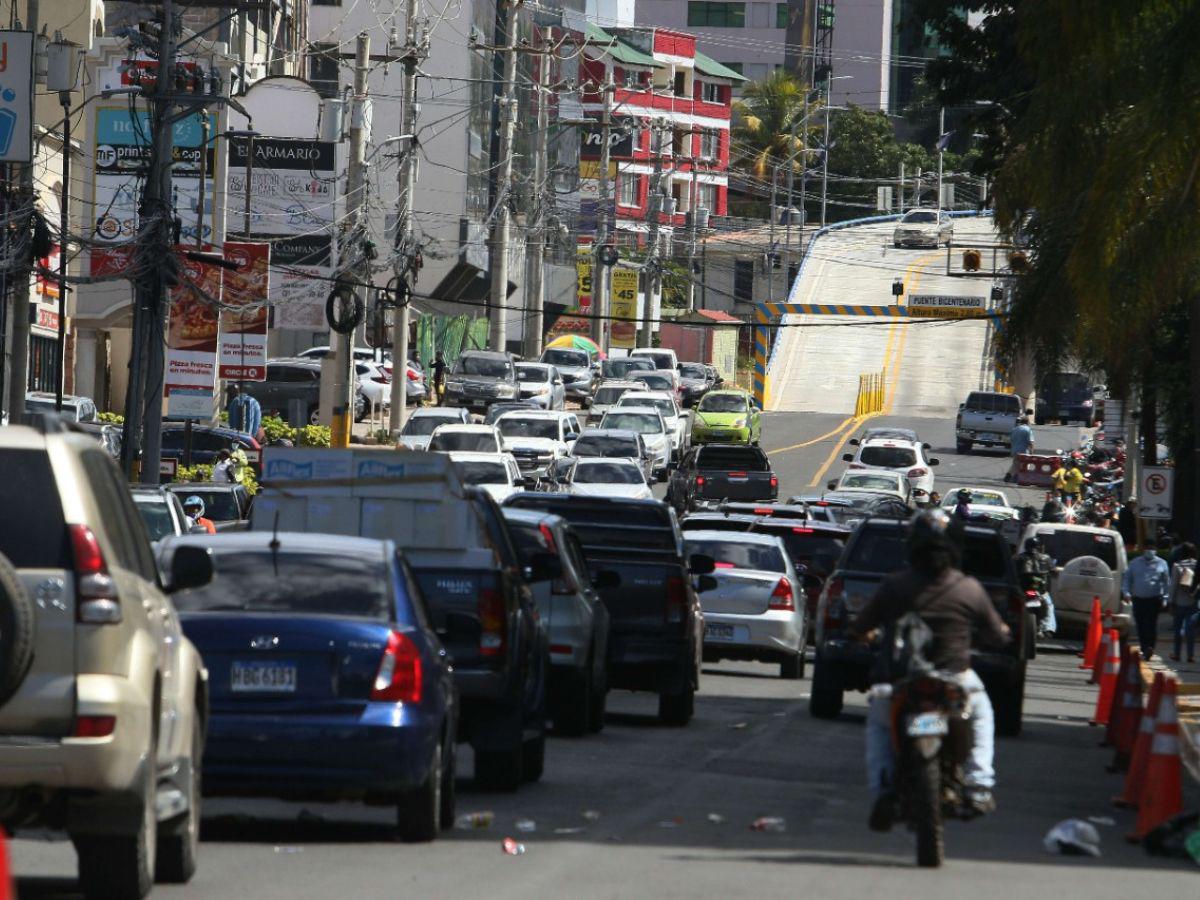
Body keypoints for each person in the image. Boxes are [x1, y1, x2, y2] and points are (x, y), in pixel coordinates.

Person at [851, 509, 1011, 828]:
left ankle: (882, 790)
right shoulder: (969, 589)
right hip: (955, 678)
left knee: (879, 724)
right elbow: (998, 634)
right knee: (981, 713)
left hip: (901, 681)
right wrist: (1001, 634)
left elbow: (860, 626)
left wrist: (865, 635)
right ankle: (979, 784)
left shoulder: (894, 586)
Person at [1122, 538, 1171, 660]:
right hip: (1138, 599)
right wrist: (1126, 593)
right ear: (1143, 549)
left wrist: (1165, 598)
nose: (1150, 550)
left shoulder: (1162, 563)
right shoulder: (1134, 563)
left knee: (1151, 625)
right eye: (1147, 548)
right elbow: (1127, 579)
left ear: (1156, 550)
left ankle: (1150, 647)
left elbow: (1166, 582)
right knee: (1140, 625)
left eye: (1152, 548)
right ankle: (1144, 648)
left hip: (1154, 600)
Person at [1016, 537, 1057, 637]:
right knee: (1049, 605)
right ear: (1038, 547)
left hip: (1024, 591)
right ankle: (1048, 629)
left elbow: (1011, 572)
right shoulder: (1046, 558)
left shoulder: (1018, 558)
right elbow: (1054, 573)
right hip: (1040, 592)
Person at [1168, 543, 1197, 663]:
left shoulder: (1177, 566)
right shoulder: (1197, 565)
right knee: (1191, 631)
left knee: (1178, 630)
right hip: (1193, 602)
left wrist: (1171, 602)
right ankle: (1190, 655)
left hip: (1179, 602)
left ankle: (1177, 654)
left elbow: (1173, 586)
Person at [1004, 417, 1033, 483]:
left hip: (1015, 450)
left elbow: (1011, 440)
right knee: (1025, 464)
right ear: (1027, 422)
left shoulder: (1014, 429)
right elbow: (1030, 441)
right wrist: (1031, 451)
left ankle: (1008, 476)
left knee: (1015, 464)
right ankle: (1018, 477)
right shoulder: (1028, 430)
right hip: (1023, 451)